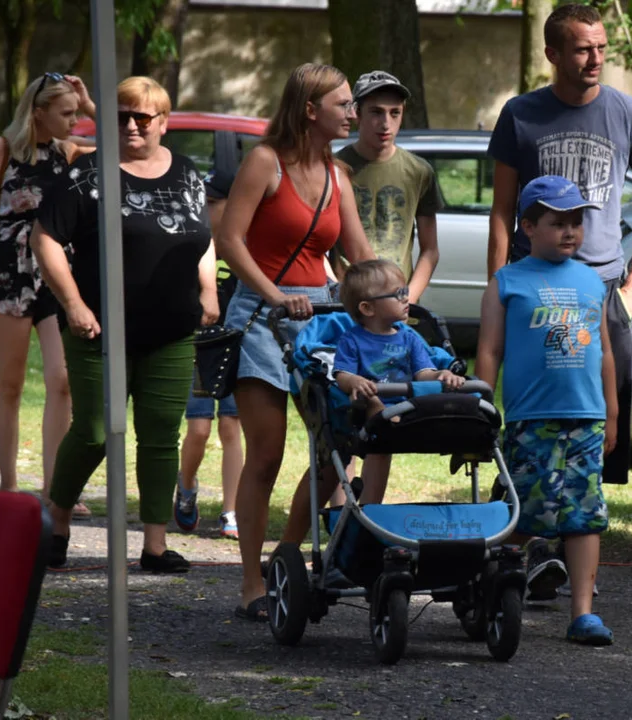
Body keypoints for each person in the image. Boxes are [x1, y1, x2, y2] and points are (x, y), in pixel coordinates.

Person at [485, 3, 632, 599]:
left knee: (596, 435)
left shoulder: (626, 112)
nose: (596, 60)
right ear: (553, 54)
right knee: (531, 424)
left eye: (601, 48)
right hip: (533, 292)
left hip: (600, 290)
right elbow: (501, 211)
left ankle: (565, 558)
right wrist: (501, 286)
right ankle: (529, 544)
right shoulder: (522, 116)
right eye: (583, 49)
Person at [31, 76, 219, 572]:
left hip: (172, 330)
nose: (133, 126)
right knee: (93, 431)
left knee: (160, 435)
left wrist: (209, 290)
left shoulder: (186, 173)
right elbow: (45, 238)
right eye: (122, 117)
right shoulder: (87, 174)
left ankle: (154, 545)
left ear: (164, 122)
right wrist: (72, 304)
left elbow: (199, 236)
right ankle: (57, 520)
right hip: (98, 329)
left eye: (144, 117)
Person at [214, 63, 375, 621]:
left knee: (339, 445)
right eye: (344, 103)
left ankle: (287, 552)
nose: (353, 113)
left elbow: (359, 254)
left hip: (321, 314)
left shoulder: (338, 176)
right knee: (268, 453)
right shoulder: (264, 162)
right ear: (310, 110)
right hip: (261, 313)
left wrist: (395, 289)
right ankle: (252, 584)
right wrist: (276, 295)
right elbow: (229, 240)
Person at [475, 175, 619, 646]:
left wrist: (612, 412)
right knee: (526, 511)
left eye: (576, 222)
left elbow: (604, 351)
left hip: (586, 417)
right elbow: (490, 350)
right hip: (530, 417)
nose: (570, 231)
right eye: (558, 223)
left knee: (584, 514)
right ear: (528, 226)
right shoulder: (507, 282)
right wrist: (481, 405)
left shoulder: (592, 281)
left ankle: (582, 614)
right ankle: (483, 579)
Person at [0, 73, 96, 516]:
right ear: (38, 111)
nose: (73, 121)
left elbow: (118, 149)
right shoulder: (0, 150)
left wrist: (88, 106)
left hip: (55, 273)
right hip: (6, 272)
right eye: (66, 112)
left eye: (75, 112)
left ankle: (55, 488)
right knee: (9, 384)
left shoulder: (66, 152)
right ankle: (8, 486)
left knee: (62, 381)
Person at [328, 69, 443, 506]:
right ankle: (339, 507)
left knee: (389, 410)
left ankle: (370, 511)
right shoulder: (336, 166)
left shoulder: (418, 170)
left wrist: (407, 296)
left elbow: (429, 249)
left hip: (394, 307)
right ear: (356, 113)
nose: (385, 123)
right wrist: (345, 291)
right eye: (375, 112)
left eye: (394, 113)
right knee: (344, 412)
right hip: (346, 305)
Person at [333, 259, 464, 504]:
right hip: (367, 409)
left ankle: (371, 506)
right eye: (398, 293)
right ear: (368, 308)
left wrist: (441, 375)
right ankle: (370, 507)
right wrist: (355, 381)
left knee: (441, 395)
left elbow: (422, 374)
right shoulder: (351, 340)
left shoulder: (409, 338)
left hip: (407, 407)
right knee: (367, 399)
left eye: (405, 291)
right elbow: (341, 375)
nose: (406, 297)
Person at [173, 165, 244, 540]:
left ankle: (231, 510)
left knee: (232, 426)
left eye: (214, 200)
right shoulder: (190, 240)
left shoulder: (243, 245)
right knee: (199, 430)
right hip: (196, 346)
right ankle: (186, 489)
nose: (206, 206)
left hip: (233, 344)